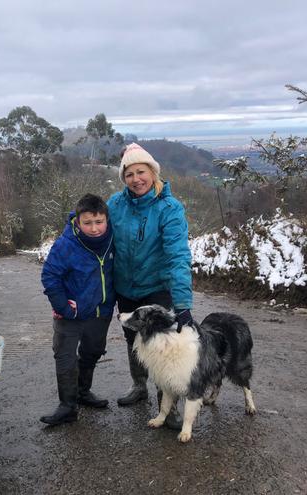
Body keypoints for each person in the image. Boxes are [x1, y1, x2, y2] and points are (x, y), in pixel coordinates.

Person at [107, 142, 194, 429]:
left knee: (162, 346)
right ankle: (138, 386)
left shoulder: (169, 208)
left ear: (153, 172)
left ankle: (167, 407)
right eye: (129, 174)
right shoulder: (115, 205)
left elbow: (178, 255)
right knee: (134, 340)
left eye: (141, 171)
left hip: (157, 287)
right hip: (126, 288)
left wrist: (182, 304)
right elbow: (96, 235)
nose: (136, 179)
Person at [40, 194, 115, 425]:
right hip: (70, 314)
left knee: (92, 351)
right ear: (78, 222)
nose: (94, 228)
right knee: (65, 357)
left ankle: (83, 392)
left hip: (101, 311)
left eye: (99, 222)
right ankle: (67, 406)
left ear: (106, 220)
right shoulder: (66, 244)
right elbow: (50, 275)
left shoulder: (113, 238)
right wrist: (63, 307)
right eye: (87, 223)